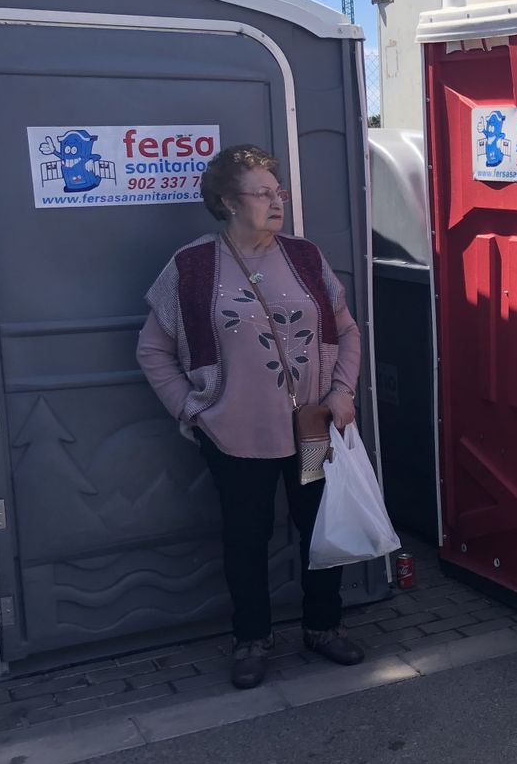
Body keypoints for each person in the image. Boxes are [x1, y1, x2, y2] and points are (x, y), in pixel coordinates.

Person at [137, 144, 365, 689]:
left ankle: (323, 627)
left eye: (277, 190)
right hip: (235, 435)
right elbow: (153, 350)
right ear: (226, 201)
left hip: (311, 429)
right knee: (246, 537)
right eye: (262, 192)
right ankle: (252, 640)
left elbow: (348, 329)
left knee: (319, 529)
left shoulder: (305, 256)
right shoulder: (192, 266)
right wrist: (192, 410)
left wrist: (341, 391)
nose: (275, 201)